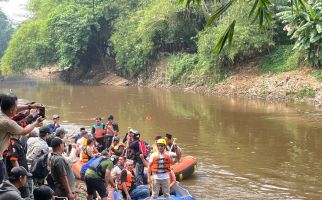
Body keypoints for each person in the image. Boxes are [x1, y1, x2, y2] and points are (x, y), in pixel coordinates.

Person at [0, 94, 44, 183]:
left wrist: (30, 106)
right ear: (11, 109)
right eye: (15, 107)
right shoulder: (7, 122)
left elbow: (15, 110)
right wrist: (36, 122)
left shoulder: (1, 112)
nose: (17, 109)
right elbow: (24, 131)